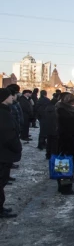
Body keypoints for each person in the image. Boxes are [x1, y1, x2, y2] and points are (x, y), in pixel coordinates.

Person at [56, 93, 74, 195]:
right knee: (66, 166)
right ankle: (66, 188)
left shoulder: (61, 110)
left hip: (62, 143)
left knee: (62, 165)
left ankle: (62, 186)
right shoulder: (68, 114)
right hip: (68, 144)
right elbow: (70, 131)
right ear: (71, 102)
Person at [0, 88, 21, 218]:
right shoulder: (3, 113)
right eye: (9, 96)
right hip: (3, 154)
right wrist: (17, 147)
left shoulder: (5, 112)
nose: (12, 98)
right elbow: (8, 135)